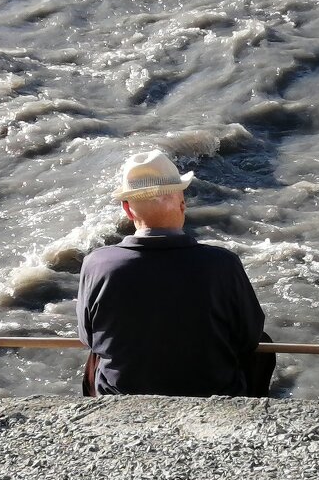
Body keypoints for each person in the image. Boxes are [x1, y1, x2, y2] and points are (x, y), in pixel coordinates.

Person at [76, 149, 275, 397]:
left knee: (97, 355)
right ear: (182, 204)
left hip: (123, 396)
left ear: (127, 210)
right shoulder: (223, 263)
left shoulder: (97, 264)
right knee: (262, 344)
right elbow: (249, 336)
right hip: (213, 393)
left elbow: (88, 338)